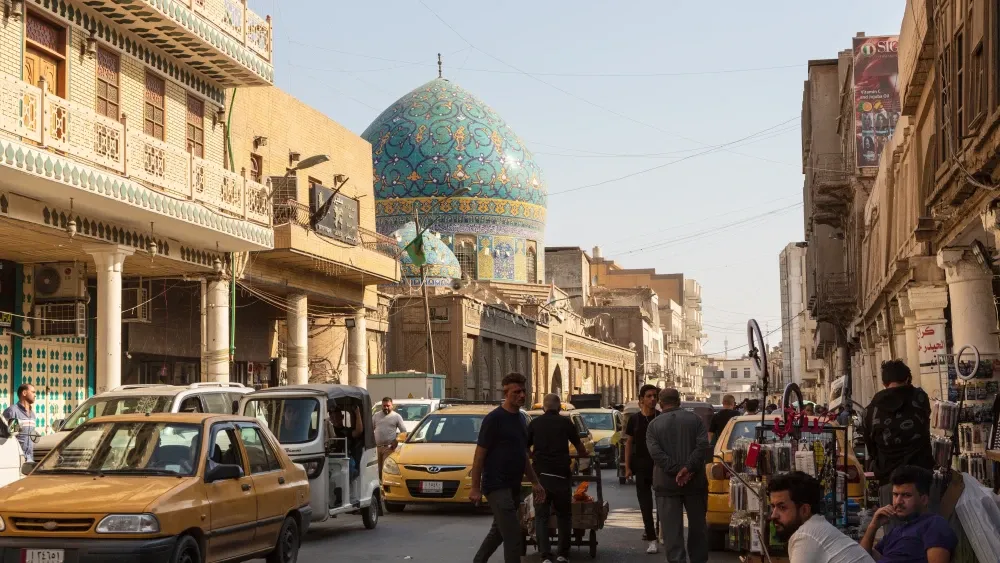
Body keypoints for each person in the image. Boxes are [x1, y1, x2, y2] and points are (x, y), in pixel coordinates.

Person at [471, 373, 545, 563]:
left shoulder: (521, 419)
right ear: (505, 392)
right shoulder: (494, 419)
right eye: (517, 391)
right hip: (496, 485)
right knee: (513, 536)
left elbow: (523, 456)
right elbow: (479, 455)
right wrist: (475, 488)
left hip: (513, 486)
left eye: (523, 391)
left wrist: (535, 482)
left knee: (498, 532)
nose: (522, 395)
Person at [646, 388, 712, 563]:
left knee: (671, 532)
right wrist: (687, 469)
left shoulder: (653, 425)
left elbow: (656, 453)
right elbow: (703, 446)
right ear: (679, 401)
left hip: (666, 485)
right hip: (695, 483)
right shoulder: (696, 420)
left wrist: (676, 470)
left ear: (661, 402)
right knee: (698, 528)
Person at [863, 361, 934, 507]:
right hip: (920, 480)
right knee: (924, 526)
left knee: (893, 526)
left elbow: (872, 449)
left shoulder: (870, 410)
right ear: (908, 379)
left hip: (888, 482)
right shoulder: (920, 399)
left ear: (884, 383)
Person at [527, 393, 587, 563]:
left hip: (541, 478)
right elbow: (580, 447)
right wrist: (584, 454)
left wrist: (533, 456)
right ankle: (562, 554)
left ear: (544, 407)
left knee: (541, 516)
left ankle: (545, 555)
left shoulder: (534, 424)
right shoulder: (566, 423)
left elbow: (525, 449)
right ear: (560, 407)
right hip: (561, 476)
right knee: (564, 515)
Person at [768, 471, 875, 563]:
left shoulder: (806, 535)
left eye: (782, 507)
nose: (773, 515)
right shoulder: (817, 527)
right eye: (773, 507)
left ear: (804, 510)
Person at [859, 465, 956, 563]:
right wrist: (873, 526)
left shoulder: (934, 524)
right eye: (895, 495)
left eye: (906, 495)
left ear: (924, 499)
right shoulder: (895, 532)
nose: (898, 501)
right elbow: (862, 558)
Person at [624, 384, 661, 553]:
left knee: (662, 502)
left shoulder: (661, 418)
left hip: (660, 466)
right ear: (641, 400)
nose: (653, 399)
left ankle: (660, 530)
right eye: (649, 396)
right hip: (641, 466)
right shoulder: (634, 419)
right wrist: (627, 467)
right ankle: (652, 539)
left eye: (655, 396)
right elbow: (629, 443)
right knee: (645, 504)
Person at [373, 397, 407, 479]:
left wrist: (396, 441)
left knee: (386, 469)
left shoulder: (396, 416)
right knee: (376, 470)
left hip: (389, 448)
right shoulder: (376, 416)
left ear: (392, 405)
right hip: (376, 448)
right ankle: (379, 488)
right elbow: (370, 429)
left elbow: (404, 432)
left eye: (388, 405)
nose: (386, 408)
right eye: (384, 406)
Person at [3, 384, 35, 462]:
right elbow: (8, 436)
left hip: (30, 458)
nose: (35, 395)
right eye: (33, 392)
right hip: (16, 458)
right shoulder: (13, 411)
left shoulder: (32, 414)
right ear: (24, 393)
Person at [333, 405, 364, 479]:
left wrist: (357, 413)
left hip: (344, 458)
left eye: (337, 417)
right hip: (330, 457)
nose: (334, 419)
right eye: (332, 418)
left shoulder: (346, 431)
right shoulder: (328, 429)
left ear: (342, 417)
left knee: (350, 465)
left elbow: (358, 431)